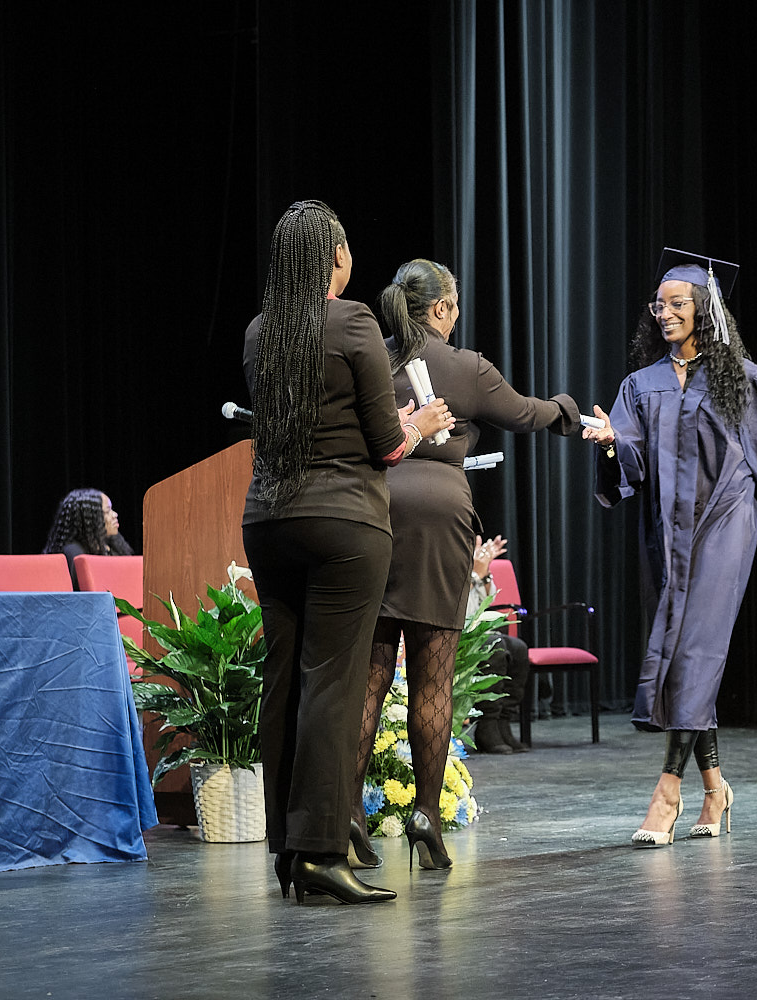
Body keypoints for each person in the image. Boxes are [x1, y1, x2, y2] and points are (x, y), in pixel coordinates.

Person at [583, 252, 757, 847]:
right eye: (659, 305)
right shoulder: (640, 385)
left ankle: (666, 792)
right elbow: (632, 460)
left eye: (677, 303)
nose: (665, 313)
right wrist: (611, 442)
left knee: (696, 648)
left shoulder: (742, 381)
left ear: (705, 309)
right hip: (665, 534)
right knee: (685, 654)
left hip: (726, 522)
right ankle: (715, 787)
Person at [240, 201, 451, 905]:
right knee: (332, 685)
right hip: (343, 523)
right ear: (336, 257)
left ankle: (288, 851)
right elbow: (386, 447)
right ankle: (323, 853)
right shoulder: (354, 321)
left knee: (284, 684)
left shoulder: (259, 331)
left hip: (268, 522)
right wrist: (419, 424)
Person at [356, 258, 578, 871]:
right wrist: (566, 408)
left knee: (370, 675)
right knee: (433, 677)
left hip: (373, 511)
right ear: (442, 309)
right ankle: (426, 813)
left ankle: (347, 809)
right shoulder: (465, 366)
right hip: (439, 520)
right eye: (453, 307)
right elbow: (527, 413)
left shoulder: (371, 358)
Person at [465, 533, 532, 754]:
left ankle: (503, 722)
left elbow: (487, 602)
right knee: (494, 643)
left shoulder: (475, 563)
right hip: (455, 634)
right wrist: (475, 573)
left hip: (478, 631)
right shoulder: (445, 560)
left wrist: (483, 574)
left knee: (518, 648)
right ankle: (487, 725)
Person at [43, 488, 135, 588]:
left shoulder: (113, 545)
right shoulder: (74, 553)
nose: (114, 515)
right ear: (90, 519)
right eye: (107, 511)